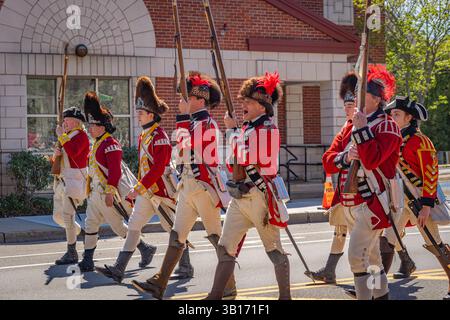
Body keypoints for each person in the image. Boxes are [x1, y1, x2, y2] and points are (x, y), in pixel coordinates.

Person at [132, 72, 236, 299]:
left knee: (216, 238)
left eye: (184, 97)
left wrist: (182, 118)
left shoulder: (207, 123)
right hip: (187, 187)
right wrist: (183, 119)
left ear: (198, 100)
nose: (179, 101)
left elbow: (185, 143)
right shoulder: (192, 122)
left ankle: (228, 287)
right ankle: (159, 283)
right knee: (176, 235)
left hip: (204, 187)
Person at [205, 72, 291, 300]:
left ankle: (285, 297)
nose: (244, 104)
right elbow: (232, 161)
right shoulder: (247, 129)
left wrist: (232, 131)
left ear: (263, 107)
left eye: (249, 101)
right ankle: (215, 296)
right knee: (225, 247)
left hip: (260, 197)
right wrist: (235, 132)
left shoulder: (268, 130)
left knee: (274, 250)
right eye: (244, 100)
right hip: (241, 196)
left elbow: (249, 157)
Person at [78, 91, 154, 272]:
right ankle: (87, 259)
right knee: (90, 223)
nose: (90, 128)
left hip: (106, 193)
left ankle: (145, 248)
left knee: (118, 227)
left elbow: (115, 171)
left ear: (102, 127)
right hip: (94, 193)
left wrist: (110, 192)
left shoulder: (110, 144)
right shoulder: (97, 143)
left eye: (93, 125)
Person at [384, 96, 450, 300]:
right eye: (391, 114)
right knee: (385, 241)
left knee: (435, 244)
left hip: (420, 200)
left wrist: (427, 206)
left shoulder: (420, 140)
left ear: (408, 117)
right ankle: (373, 288)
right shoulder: (395, 140)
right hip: (400, 201)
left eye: (396, 114)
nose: (392, 118)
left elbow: (431, 173)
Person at [52, 107, 89, 265]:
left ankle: (71, 251)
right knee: (57, 216)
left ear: (76, 122)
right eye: (64, 120)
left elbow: (74, 152)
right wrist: (56, 154)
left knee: (68, 216)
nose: (64, 123)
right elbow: (60, 161)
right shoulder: (66, 137)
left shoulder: (82, 136)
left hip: (74, 182)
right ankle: (81, 233)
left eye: (67, 120)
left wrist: (62, 137)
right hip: (62, 181)